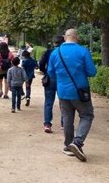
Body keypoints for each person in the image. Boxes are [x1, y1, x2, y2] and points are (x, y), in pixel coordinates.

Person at [47, 28, 97, 161]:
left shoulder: (55, 52)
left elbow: (51, 73)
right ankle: (77, 142)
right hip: (80, 91)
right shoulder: (83, 51)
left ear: (65, 37)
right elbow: (92, 72)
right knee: (87, 115)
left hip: (62, 91)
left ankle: (68, 146)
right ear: (77, 37)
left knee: (67, 117)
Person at [39, 35, 65, 133]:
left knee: (48, 102)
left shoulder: (48, 52)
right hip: (62, 79)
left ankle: (47, 124)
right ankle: (64, 123)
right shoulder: (64, 52)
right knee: (63, 102)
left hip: (50, 79)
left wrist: (45, 71)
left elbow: (41, 64)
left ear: (53, 43)